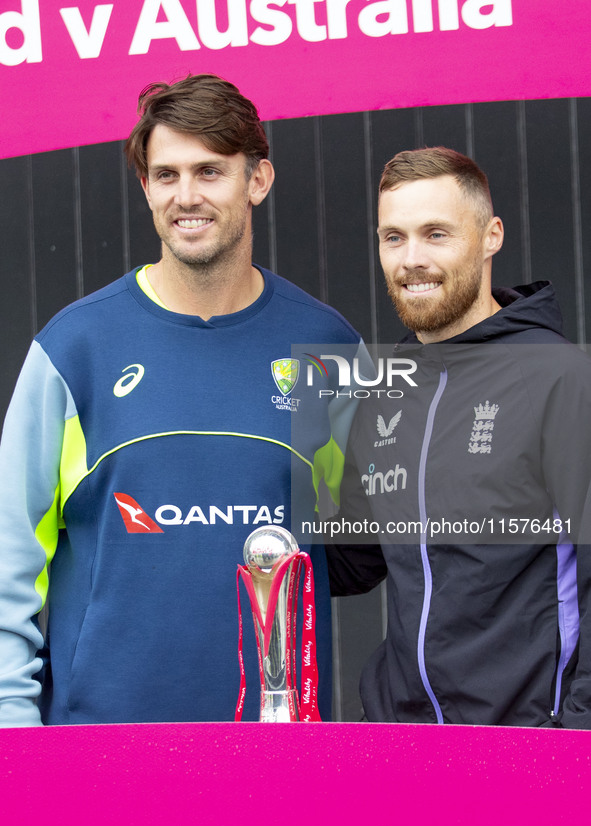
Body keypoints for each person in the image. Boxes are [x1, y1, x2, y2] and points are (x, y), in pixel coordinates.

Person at [0, 74, 361, 726]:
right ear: (145, 187)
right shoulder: (73, 348)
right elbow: (7, 565)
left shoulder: (327, 347)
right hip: (97, 759)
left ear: (257, 180)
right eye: (165, 175)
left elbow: (383, 550)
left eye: (209, 171)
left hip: (276, 760)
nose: (185, 196)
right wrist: (14, 738)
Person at [327, 146, 591, 729]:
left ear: (490, 235)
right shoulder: (383, 389)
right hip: (402, 741)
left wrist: (575, 736)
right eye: (393, 238)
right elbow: (351, 560)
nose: (411, 259)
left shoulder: (561, 376)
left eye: (436, 234)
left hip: (527, 745)